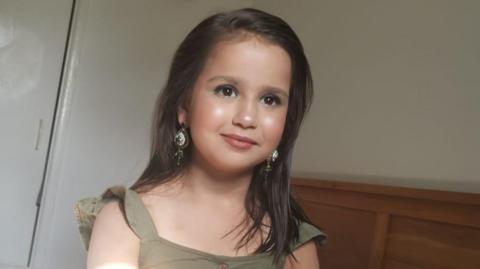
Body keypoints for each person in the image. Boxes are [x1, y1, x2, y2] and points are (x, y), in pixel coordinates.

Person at [74, 7, 327, 269]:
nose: (247, 118)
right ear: (184, 106)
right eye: (226, 90)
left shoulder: (294, 242)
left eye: (270, 99)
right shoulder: (125, 220)